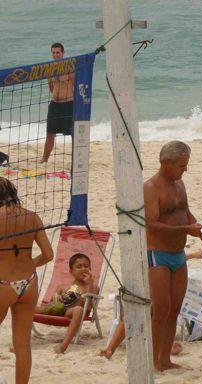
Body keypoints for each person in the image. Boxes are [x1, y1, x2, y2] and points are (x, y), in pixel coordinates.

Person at [143, 140, 202, 371]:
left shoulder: (180, 185)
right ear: (166, 163)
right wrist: (186, 230)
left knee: (175, 309)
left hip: (178, 254)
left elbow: (185, 212)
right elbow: (151, 224)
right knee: (160, 309)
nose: (185, 170)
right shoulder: (150, 187)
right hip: (157, 254)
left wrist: (200, 231)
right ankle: (151, 361)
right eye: (182, 165)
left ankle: (164, 360)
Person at [98, 247, 202, 359]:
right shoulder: (149, 251)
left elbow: (167, 259)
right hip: (145, 281)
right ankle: (111, 348)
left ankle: (163, 345)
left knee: (147, 313)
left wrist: (193, 255)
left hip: (150, 280)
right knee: (135, 314)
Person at [0, 177, 53, 384]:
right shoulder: (32, 217)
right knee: (23, 345)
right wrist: (29, 264)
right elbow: (48, 255)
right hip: (29, 282)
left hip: (3, 285)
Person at [34, 253, 99, 353]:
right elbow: (52, 302)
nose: (83, 269)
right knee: (27, 308)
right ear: (71, 271)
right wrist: (58, 297)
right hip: (58, 309)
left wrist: (89, 285)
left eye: (86, 266)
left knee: (78, 309)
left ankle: (63, 346)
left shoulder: (93, 288)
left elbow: (89, 308)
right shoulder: (63, 286)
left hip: (72, 312)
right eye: (79, 267)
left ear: (90, 269)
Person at [40, 42, 75, 163]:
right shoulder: (50, 70)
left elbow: (76, 86)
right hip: (54, 105)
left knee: (73, 133)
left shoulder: (70, 69)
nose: (55, 55)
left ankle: (76, 159)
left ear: (63, 53)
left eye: (58, 52)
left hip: (68, 104)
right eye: (53, 53)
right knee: (50, 133)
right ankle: (44, 160)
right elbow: (51, 88)